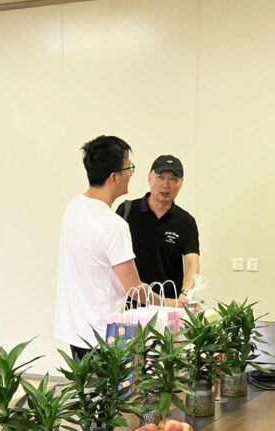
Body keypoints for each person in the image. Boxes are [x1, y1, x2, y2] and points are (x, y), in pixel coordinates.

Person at [53, 135, 149, 358]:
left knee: (84, 380)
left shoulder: (74, 207)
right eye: (129, 168)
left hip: (76, 329)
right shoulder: (113, 225)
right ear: (114, 177)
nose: (131, 174)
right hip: (106, 334)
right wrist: (173, 303)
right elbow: (134, 288)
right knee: (116, 383)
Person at [116, 154, 200, 302]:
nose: (166, 185)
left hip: (168, 305)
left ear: (181, 183)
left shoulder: (186, 221)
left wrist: (185, 294)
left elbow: (192, 264)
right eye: (160, 177)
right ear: (150, 178)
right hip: (128, 304)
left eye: (173, 179)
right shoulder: (127, 211)